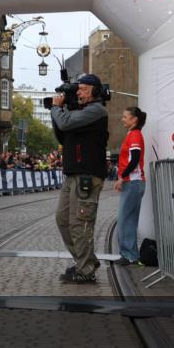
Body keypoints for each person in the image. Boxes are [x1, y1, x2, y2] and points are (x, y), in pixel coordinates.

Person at [51, 74, 110, 284]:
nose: (78, 92)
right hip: (73, 173)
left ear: (94, 90)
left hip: (87, 174)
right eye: (78, 89)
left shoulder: (96, 111)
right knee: (63, 219)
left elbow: (66, 124)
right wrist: (59, 111)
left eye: (83, 89)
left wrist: (57, 109)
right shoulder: (79, 113)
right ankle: (85, 262)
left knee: (80, 223)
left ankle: (85, 270)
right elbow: (62, 135)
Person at [114, 106, 147, 266]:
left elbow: (134, 160)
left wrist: (122, 177)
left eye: (125, 117)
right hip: (134, 182)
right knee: (129, 219)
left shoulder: (134, 135)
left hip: (132, 182)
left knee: (125, 219)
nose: (122, 119)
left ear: (134, 119)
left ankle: (128, 255)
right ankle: (131, 255)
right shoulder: (134, 134)